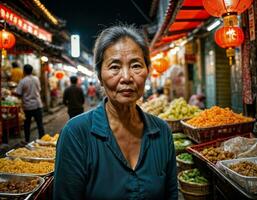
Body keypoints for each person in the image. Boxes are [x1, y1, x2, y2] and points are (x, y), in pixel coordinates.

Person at [54, 25, 178, 200]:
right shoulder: (76, 134)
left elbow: (171, 194)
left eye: (136, 65)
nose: (126, 77)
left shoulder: (162, 132)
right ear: (99, 76)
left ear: (147, 72)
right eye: (114, 67)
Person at [15, 64, 44, 142]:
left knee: (27, 125)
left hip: (28, 106)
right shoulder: (36, 79)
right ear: (32, 71)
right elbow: (39, 89)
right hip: (38, 104)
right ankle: (43, 140)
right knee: (40, 124)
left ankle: (27, 140)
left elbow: (18, 93)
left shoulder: (23, 81)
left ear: (24, 71)